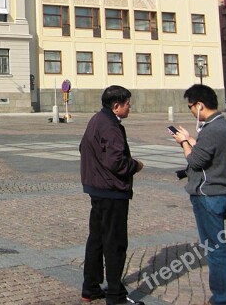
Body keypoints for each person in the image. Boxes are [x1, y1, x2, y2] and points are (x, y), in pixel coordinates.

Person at [172, 84, 226, 305]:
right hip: (222, 193)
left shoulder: (212, 129)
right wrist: (191, 140)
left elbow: (195, 161)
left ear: (199, 105)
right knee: (221, 247)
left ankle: (222, 300)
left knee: (215, 252)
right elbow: (209, 154)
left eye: (190, 106)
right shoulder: (225, 127)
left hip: (208, 195)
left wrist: (183, 143)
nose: (190, 111)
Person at [79, 85, 145, 305]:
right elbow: (116, 161)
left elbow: (83, 148)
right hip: (112, 191)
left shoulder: (96, 120)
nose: (129, 108)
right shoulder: (110, 126)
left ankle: (90, 288)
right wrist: (135, 165)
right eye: (127, 104)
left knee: (96, 239)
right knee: (114, 243)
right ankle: (116, 296)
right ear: (116, 106)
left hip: (96, 189)